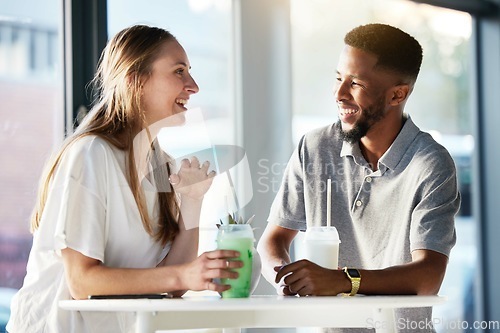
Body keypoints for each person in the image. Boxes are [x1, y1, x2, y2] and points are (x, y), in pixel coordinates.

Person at [7, 25, 241, 333]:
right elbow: (82, 281)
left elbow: (171, 285)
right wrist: (185, 275)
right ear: (136, 80)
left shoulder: (162, 165)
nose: (193, 86)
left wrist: (192, 202)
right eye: (179, 71)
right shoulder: (91, 154)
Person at [257, 23, 460, 332]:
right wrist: (287, 279)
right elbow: (272, 240)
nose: (339, 94)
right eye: (339, 78)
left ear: (397, 94)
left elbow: (427, 277)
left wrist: (341, 280)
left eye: (355, 84)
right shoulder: (314, 147)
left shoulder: (431, 164)